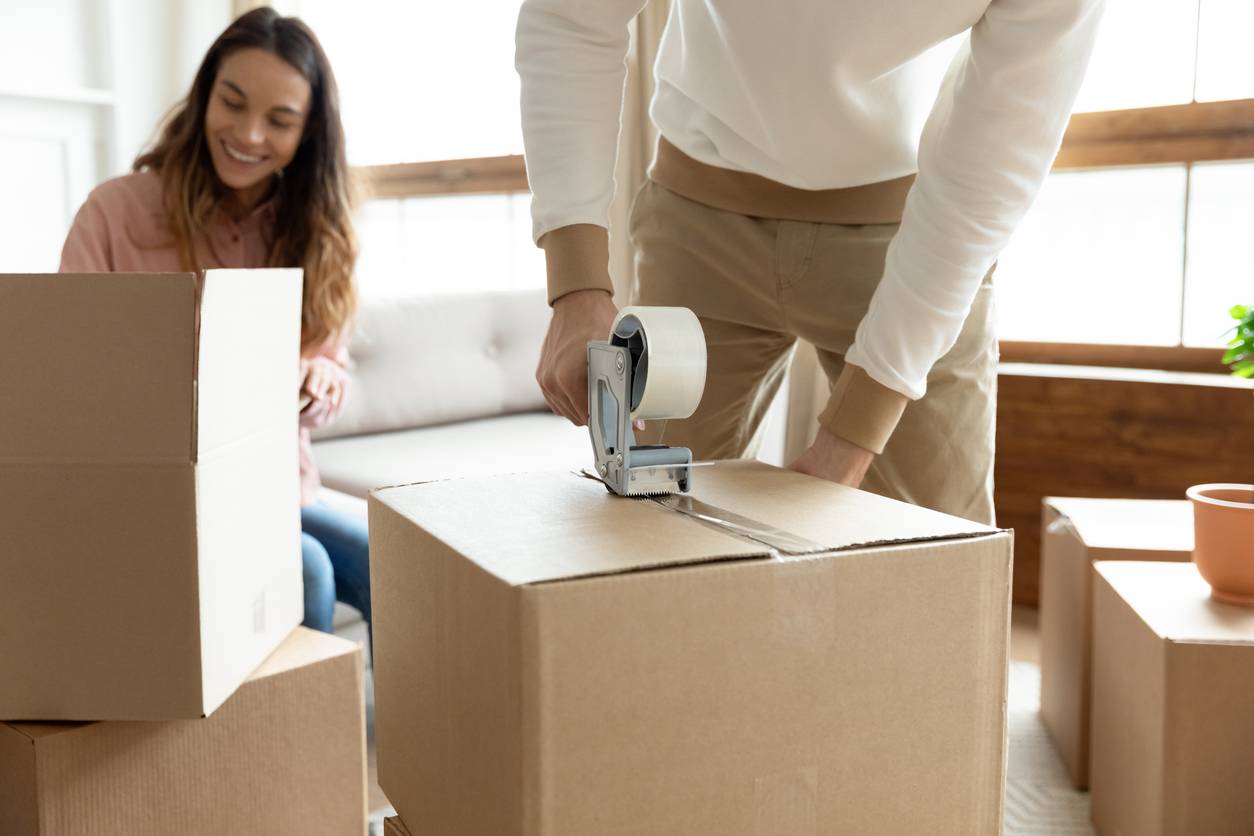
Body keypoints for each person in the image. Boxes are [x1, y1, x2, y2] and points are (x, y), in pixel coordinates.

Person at [516, 0, 1104, 524]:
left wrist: (853, 437)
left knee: (945, 552)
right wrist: (576, 286)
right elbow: (573, 18)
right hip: (697, 222)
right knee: (651, 525)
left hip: (911, 237)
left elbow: (987, 177)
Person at [59, 7, 370, 634]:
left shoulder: (315, 232)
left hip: (277, 488)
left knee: (390, 561)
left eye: (280, 121)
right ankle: (273, 734)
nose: (249, 134)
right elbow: (72, 369)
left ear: (307, 134)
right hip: (160, 496)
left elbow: (328, 362)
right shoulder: (115, 213)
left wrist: (319, 380)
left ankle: (400, 731)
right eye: (232, 103)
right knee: (306, 570)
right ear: (204, 97)